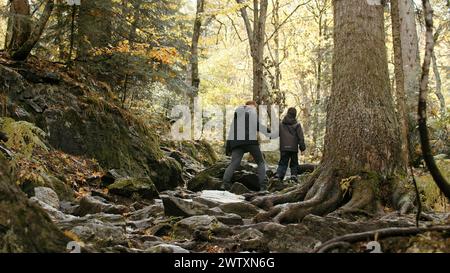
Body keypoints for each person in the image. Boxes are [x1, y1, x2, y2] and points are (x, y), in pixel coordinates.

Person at [223, 101, 271, 191]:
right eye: (255, 107)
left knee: (234, 163)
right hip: (250, 141)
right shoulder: (251, 111)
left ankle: (225, 184)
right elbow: (257, 125)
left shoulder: (237, 113)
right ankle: (263, 187)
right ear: (253, 106)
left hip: (236, 142)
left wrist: (228, 147)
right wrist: (269, 132)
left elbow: (231, 130)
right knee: (260, 162)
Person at [275, 107, 306, 183]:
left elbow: (276, 134)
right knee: (294, 163)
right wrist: (302, 148)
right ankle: (293, 176)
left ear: (287, 113)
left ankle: (278, 176)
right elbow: (300, 137)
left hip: (284, 147)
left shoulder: (281, 124)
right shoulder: (297, 125)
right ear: (295, 114)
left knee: (282, 162)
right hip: (293, 148)